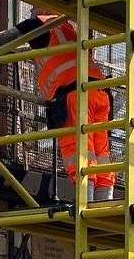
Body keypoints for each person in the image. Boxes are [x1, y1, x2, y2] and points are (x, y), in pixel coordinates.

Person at [31, 15, 116, 195]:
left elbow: (17, 32)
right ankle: (105, 203)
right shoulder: (69, 30)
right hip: (100, 93)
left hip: (76, 96)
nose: (31, 10)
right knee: (101, 153)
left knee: (78, 150)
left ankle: (85, 205)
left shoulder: (41, 25)